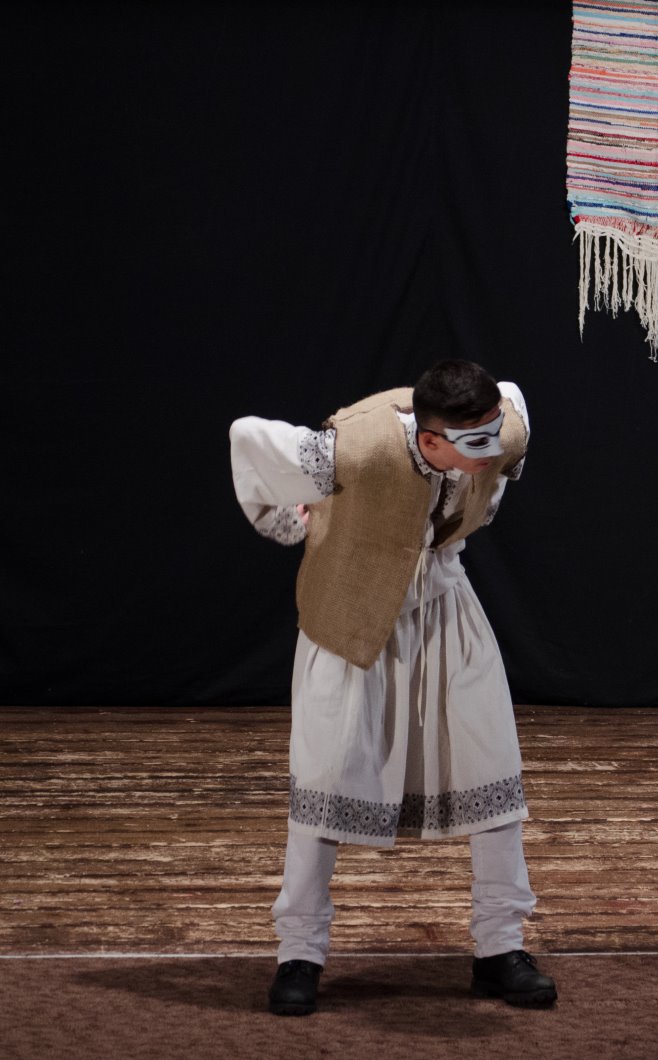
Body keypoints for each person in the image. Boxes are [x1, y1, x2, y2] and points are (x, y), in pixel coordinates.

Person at [229, 359, 557, 1016]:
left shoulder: (505, 426)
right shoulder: (352, 446)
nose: (491, 448)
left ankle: (500, 947)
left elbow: (509, 413)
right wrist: (296, 522)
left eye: (492, 432)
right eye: (473, 441)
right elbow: (247, 439)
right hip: (350, 618)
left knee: (493, 771)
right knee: (324, 783)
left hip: (445, 609)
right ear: (430, 440)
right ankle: (299, 953)